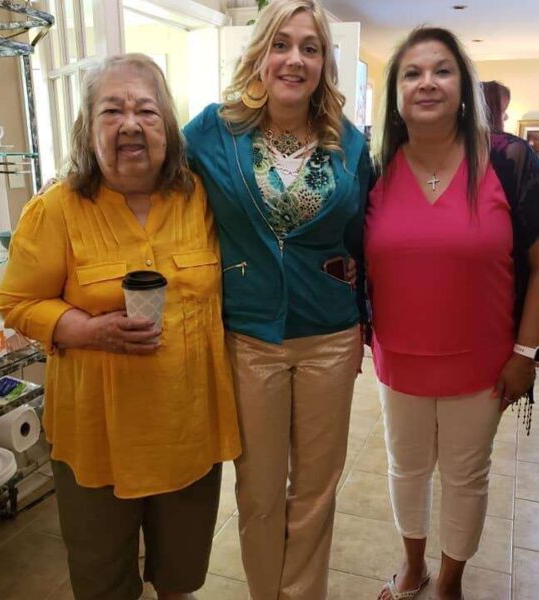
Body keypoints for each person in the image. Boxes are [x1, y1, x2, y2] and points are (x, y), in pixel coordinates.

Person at [0, 54, 241, 600]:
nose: (130, 124)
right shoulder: (56, 209)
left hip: (187, 430)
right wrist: (84, 330)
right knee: (102, 578)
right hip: (95, 437)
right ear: (88, 128)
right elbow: (16, 301)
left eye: (146, 111)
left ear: (167, 127)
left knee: (181, 576)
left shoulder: (200, 198)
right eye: (112, 110)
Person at [364, 27, 539, 600]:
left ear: (463, 87)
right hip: (398, 360)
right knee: (405, 468)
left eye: (442, 70)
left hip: (483, 366)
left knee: (466, 476)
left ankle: (450, 581)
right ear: (396, 93)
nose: (427, 82)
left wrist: (526, 353)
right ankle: (413, 567)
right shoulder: (374, 167)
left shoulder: (508, 160)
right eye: (412, 73)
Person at [183, 1, 371, 598]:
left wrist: (364, 318)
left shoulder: (349, 144)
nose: (295, 59)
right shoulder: (213, 131)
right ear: (260, 54)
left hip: (330, 336)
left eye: (310, 48)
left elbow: (362, 238)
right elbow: (162, 195)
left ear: (324, 63)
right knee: (259, 492)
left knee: (315, 491)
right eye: (282, 44)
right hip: (249, 339)